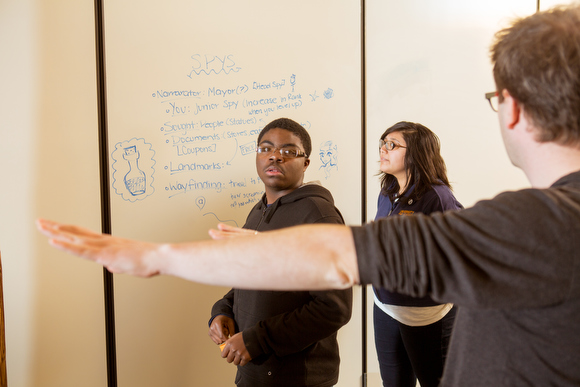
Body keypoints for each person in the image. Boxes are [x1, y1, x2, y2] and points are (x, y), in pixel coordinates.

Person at [36, 5, 580, 386]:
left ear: (510, 107)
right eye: (265, 148)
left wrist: (155, 256)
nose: (274, 157)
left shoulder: (535, 225)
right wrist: (237, 277)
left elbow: (333, 257)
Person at [207, 118, 352, 387]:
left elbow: (334, 308)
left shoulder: (318, 217)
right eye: (266, 148)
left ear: (305, 163)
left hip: (296, 377)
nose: (275, 156)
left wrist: (257, 339)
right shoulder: (259, 211)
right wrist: (222, 311)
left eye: (288, 151)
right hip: (254, 370)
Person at [373, 121, 462, 387]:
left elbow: (457, 254)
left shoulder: (438, 197)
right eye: (383, 144)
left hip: (427, 315)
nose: (383, 150)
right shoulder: (387, 191)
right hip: (386, 307)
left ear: (415, 154)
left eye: (392, 145)